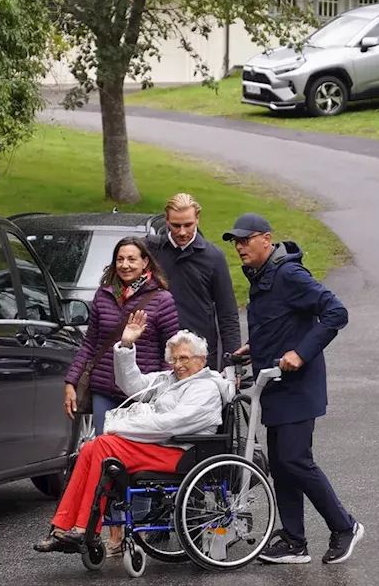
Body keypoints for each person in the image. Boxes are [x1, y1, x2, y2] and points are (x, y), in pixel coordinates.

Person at [223, 212, 364, 565]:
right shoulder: (260, 277)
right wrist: (256, 347)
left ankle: (345, 527)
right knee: (282, 465)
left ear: (266, 240)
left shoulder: (288, 274)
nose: (239, 247)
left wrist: (301, 353)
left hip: (299, 387)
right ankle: (294, 540)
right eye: (235, 242)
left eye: (245, 239)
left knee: (295, 460)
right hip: (275, 385)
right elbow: (281, 322)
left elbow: (336, 313)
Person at [35, 316, 232, 553]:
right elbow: (133, 385)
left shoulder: (206, 388)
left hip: (184, 452)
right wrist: (126, 346)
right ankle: (62, 526)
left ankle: (84, 528)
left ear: (201, 360)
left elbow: (169, 425)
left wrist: (121, 428)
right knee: (90, 447)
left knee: (105, 445)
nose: (178, 365)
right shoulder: (170, 380)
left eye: (184, 358)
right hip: (164, 446)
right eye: (174, 359)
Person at [63, 236, 179, 434]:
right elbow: (90, 344)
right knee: (104, 451)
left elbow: (171, 351)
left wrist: (162, 391)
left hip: (142, 395)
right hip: (104, 391)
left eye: (132, 259)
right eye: (120, 259)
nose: (125, 265)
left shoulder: (162, 299)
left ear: (145, 262)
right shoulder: (103, 295)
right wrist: (71, 382)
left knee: (133, 456)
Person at [147, 193, 241, 372]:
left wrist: (232, 365)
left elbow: (227, 314)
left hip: (199, 358)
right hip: (158, 356)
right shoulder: (152, 252)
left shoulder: (214, 257)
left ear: (197, 219)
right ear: (166, 220)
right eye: (176, 225)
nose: (182, 232)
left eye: (188, 225)